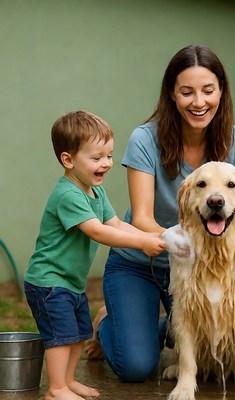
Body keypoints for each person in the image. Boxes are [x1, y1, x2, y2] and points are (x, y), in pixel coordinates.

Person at [85, 44, 235, 382]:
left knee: (204, 333)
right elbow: (141, 218)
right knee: (136, 366)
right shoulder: (145, 139)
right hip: (141, 263)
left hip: (204, 268)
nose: (199, 102)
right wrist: (171, 239)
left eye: (208, 90)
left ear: (221, 91)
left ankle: (155, 324)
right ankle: (110, 320)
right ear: (172, 94)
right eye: (187, 92)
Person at [24, 110, 167, 400]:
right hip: (49, 281)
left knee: (78, 334)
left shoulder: (94, 192)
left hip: (69, 282)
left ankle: (68, 381)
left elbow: (115, 223)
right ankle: (56, 388)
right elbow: (100, 232)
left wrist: (153, 236)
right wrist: (141, 244)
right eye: (97, 157)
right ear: (68, 160)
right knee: (61, 337)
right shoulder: (68, 195)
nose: (106, 163)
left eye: (109, 155)